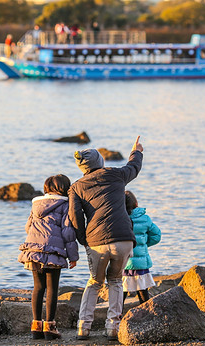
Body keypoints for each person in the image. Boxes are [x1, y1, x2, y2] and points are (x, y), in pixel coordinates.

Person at [69, 136, 143, 341]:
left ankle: (83, 328)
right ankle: (113, 328)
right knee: (116, 281)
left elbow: (75, 217)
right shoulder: (116, 175)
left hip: (97, 242)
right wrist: (136, 150)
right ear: (100, 162)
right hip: (124, 240)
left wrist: (83, 239)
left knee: (94, 282)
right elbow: (134, 167)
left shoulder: (76, 187)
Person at [18, 174, 79, 340]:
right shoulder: (65, 204)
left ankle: (36, 326)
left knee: (38, 287)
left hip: (33, 249)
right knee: (52, 288)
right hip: (53, 250)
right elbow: (68, 231)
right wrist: (73, 256)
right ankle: (50, 327)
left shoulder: (36, 203)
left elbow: (28, 227)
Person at [122, 190, 161, 305]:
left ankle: (116, 316)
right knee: (142, 289)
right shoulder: (145, 218)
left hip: (124, 261)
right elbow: (157, 236)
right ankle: (146, 313)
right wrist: (143, 244)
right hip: (141, 263)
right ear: (136, 204)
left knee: (122, 290)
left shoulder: (120, 218)